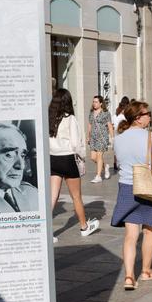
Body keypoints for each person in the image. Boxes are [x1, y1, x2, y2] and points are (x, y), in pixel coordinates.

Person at [111, 100, 152, 290]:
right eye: (147, 114)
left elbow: (118, 164)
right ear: (138, 118)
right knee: (149, 230)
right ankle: (146, 271)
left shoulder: (118, 139)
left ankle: (128, 277)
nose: (150, 117)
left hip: (126, 187)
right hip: (146, 187)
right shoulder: (150, 137)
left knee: (130, 235)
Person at [48, 89, 100, 237]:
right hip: (68, 158)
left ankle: (47, 232)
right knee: (76, 196)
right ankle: (84, 227)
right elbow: (76, 143)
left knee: (53, 196)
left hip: (53, 158)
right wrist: (82, 157)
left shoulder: (49, 118)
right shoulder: (70, 118)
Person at [88, 95, 114, 183]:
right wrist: (88, 136)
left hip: (102, 137)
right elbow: (90, 125)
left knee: (99, 156)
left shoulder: (106, 113)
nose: (94, 104)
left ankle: (98, 176)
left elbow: (110, 125)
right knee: (93, 157)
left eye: (96, 102)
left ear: (101, 103)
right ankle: (105, 166)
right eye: (93, 102)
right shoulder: (91, 113)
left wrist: (112, 137)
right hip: (93, 137)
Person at [112, 97, 130, 171]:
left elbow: (113, 124)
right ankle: (123, 163)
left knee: (116, 150)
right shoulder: (124, 115)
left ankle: (115, 163)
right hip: (122, 133)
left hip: (116, 133)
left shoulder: (116, 113)